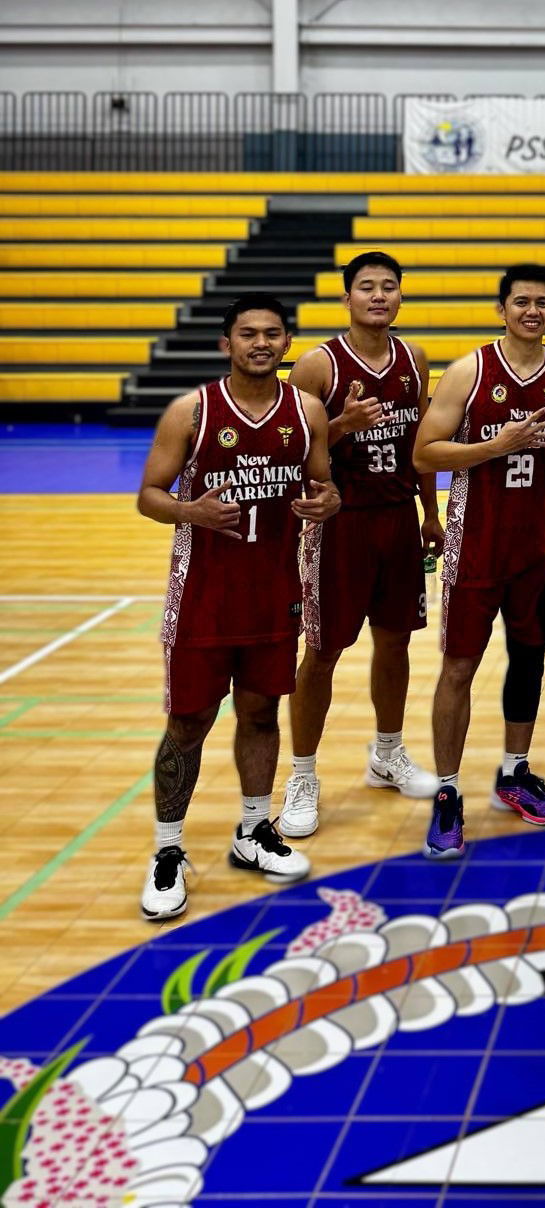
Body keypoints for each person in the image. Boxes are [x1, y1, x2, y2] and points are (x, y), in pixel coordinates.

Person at [137, 294, 340, 920]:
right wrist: (190, 511)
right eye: (247, 334)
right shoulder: (192, 411)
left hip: (274, 592)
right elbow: (148, 494)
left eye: (272, 334)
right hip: (203, 597)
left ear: (286, 344)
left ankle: (254, 830)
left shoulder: (306, 410)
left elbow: (323, 482)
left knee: (259, 714)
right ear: (226, 343)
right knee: (189, 723)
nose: (260, 343)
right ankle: (168, 851)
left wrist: (326, 502)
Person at [412, 265, 545, 858]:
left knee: (528, 659)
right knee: (458, 668)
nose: (532, 311)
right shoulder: (469, 371)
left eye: (542, 303)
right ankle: (447, 792)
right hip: (473, 546)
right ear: (502, 309)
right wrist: (497, 445)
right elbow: (424, 451)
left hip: (534, 548)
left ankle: (514, 772)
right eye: (521, 302)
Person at [278, 252, 440, 839]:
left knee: (395, 642)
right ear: (346, 298)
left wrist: (431, 512)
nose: (378, 295)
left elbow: (423, 443)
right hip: (339, 524)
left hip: (397, 519)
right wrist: (340, 425)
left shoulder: (414, 360)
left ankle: (388, 753)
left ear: (400, 297)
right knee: (322, 651)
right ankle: (301, 775)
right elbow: (286, 454)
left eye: (389, 287)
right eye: (366, 287)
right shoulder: (319, 367)